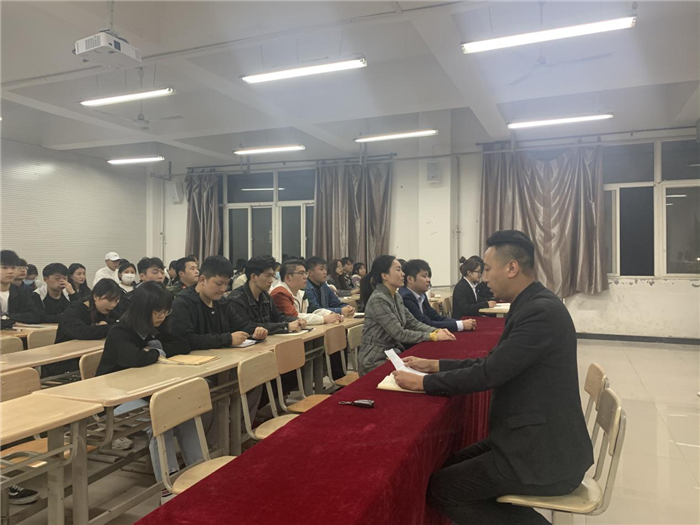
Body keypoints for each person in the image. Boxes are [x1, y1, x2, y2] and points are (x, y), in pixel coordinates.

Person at [393, 230, 593, 525]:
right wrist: (436, 365)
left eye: (487, 269)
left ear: (511, 268)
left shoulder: (540, 312)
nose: (484, 278)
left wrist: (424, 384)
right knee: (449, 466)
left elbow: (490, 373)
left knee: (443, 489)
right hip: (526, 435)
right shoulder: (530, 303)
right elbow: (494, 363)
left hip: (545, 452)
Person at [96, 281, 201, 505]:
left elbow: (183, 344)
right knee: (161, 423)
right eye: (157, 312)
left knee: (187, 413)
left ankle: (199, 472)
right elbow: (133, 358)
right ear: (142, 309)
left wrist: (153, 349)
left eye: (165, 311)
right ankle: (169, 487)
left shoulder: (154, 329)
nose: (162, 316)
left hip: (145, 393)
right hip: (115, 400)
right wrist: (156, 351)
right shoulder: (120, 331)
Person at [358, 255, 454, 375]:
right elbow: (399, 333)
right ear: (385, 276)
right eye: (398, 270)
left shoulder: (396, 296)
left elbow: (412, 322)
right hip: (374, 359)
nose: (403, 274)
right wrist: (432, 336)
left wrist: (436, 330)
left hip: (391, 354)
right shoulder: (378, 299)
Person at [171, 256, 251, 350]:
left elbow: (240, 325)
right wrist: (227, 339)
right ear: (202, 280)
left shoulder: (222, 302)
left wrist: (255, 331)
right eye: (219, 284)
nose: (223, 289)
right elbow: (187, 340)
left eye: (226, 284)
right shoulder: (182, 304)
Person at [45, 279, 121, 377]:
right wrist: (106, 328)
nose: (113, 305)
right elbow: (83, 332)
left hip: (86, 357)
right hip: (65, 362)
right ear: (95, 297)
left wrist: (107, 327)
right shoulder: (73, 312)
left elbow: (120, 323)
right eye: (110, 300)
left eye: (116, 301)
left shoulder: (104, 311)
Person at [226, 256, 304, 335]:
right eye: (268, 276)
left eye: (272, 276)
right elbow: (247, 327)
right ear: (253, 277)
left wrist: (296, 320)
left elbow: (278, 317)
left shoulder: (265, 296)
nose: (271, 280)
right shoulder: (236, 299)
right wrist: (286, 326)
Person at [400, 259, 476, 332]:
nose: (428, 280)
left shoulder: (421, 294)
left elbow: (435, 317)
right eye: (424, 276)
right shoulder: (406, 297)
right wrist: (461, 325)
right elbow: (425, 324)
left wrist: (460, 322)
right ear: (410, 279)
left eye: (428, 277)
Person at [271, 259, 341, 326]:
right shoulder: (279, 293)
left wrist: (330, 314)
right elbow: (294, 317)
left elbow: (311, 311)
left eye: (305, 273)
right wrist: (324, 319)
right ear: (288, 277)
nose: (305, 277)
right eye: (301, 273)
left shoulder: (299, 292)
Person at [0, 250, 40, 325]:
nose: (10, 271)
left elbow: (34, 315)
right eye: (4, 268)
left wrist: (6, 317)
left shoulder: (22, 292)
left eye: (13, 268)